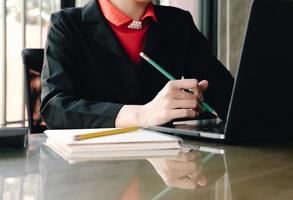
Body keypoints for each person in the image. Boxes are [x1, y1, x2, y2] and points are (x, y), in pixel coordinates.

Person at [40, 0, 234, 129]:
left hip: (165, 165)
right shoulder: (66, 24)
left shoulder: (178, 23)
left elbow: (227, 94)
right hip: (91, 171)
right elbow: (54, 107)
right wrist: (141, 115)